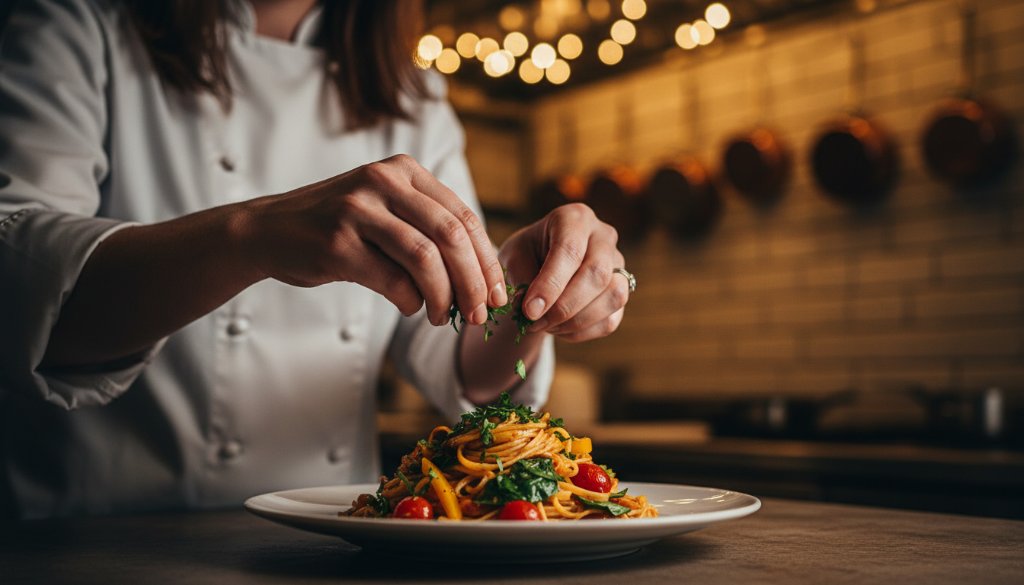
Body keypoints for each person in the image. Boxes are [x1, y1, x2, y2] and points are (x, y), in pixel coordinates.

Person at [0, 0, 633, 520]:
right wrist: (249, 235)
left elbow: (457, 356)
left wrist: (519, 290)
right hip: (94, 536)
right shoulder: (80, 23)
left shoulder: (413, 95)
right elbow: (23, 286)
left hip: (331, 536)